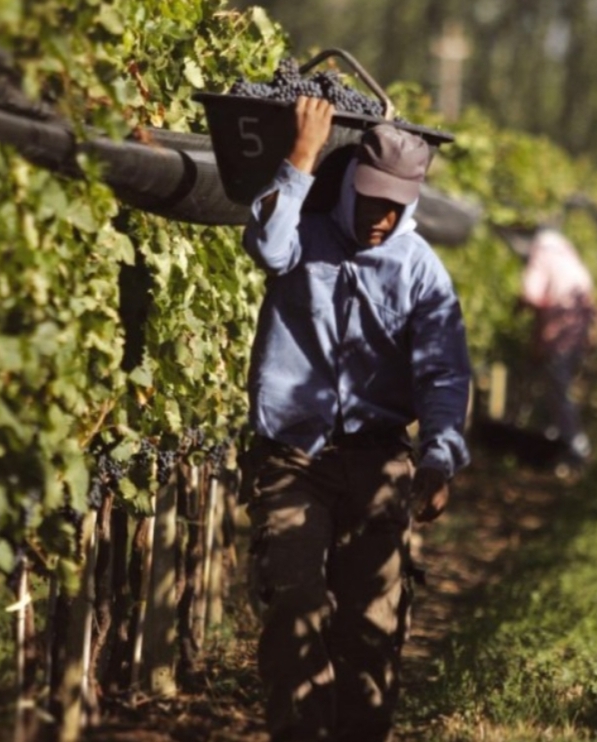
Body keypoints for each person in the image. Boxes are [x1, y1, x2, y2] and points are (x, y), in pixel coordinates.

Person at [239, 96, 472, 742]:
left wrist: (438, 455)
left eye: (395, 205)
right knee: (294, 602)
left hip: (377, 460)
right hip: (294, 459)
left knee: (370, 629)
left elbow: (444, 373)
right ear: (347, 187)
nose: (381, 217)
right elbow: (264, 243)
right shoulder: (303, 234)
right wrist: (302, 155)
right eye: (371, 200)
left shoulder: (421, 271)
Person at [516, 224, 596, 475]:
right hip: (576, 332)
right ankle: (560, 444)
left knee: (558, 391)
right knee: (558, 390)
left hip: (559, 332)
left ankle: (576, 447)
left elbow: (531, 293)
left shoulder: (543, 253)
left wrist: (518, 308)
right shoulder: (567, 254)